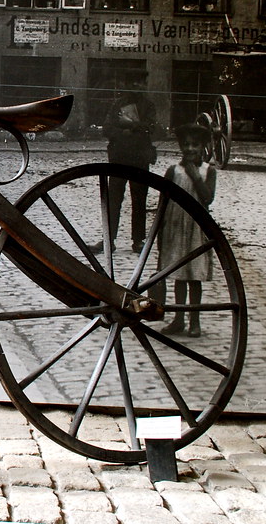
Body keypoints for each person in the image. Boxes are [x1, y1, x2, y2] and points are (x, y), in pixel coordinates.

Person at [157, 123, 217, 337]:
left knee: (194, 276)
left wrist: (195, 175)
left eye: (195, 145)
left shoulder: (208, 171)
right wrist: (159, 231)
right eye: (186, 144)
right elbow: (162, 202)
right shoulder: (173, 171)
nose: (190, 149)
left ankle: (195, 320)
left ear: (203, 146)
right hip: (175, 226)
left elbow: (207, 197)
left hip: (195, 228)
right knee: (180, 275)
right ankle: (178, 318)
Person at [94, 71, 157, 253]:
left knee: (139, 199)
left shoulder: (149, 106)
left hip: (139, 157)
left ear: (145, 85)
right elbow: (107, 129)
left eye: (141, 83)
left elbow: (151, 128)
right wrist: (124, 132)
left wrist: (130, 124)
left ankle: (138, 241)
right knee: (114, 199)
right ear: (126, 86)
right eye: (133, 83)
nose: (137, 86)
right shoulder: (118, 105)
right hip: (119, 157)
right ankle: (109, 239)